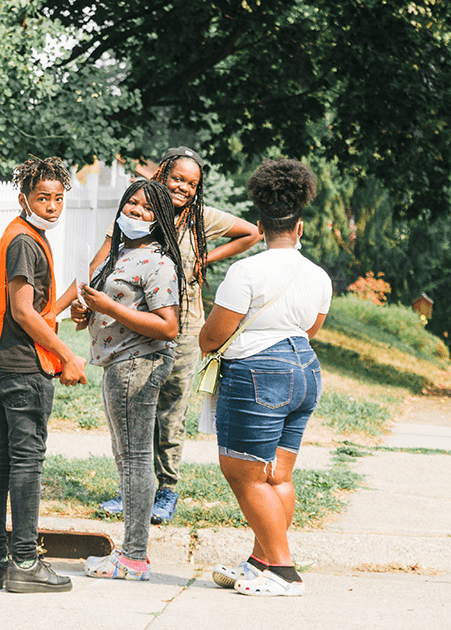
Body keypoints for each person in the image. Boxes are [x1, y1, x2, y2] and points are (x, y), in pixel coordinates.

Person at [83, 147, 261, 523]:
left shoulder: (201, 219)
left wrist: (201, 259)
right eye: (177, 178)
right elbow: (103, 256)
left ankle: (166, 491)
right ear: (162, 172)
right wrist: (85, 296)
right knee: (133, 407)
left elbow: (251, 233)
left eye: (191, 183)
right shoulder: (141, 208)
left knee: (171, 409)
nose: (183, 187)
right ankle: (133, 488)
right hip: (134, 324)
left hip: (183, 326)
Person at [199, 158, 330, 597]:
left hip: (258, 373)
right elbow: (311, 329)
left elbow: (212, 336)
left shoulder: (246, 271)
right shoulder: (318, 275)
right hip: (304, 370)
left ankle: (284, 572)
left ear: (260, 224)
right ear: (300, 227)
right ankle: (261, 561)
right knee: (277, 476)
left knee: (244, 475)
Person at [0, 157, 88, 594]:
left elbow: (33, 307)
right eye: (43, 198)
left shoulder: (21, 234)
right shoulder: (25, 241)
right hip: (22, 367)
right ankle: (24, 561)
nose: (53, 206)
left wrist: (63, 304)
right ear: (24, 198)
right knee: (25, 462)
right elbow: (22, 310)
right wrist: (66, 356)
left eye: (59, 198)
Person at [78, 180, 184, 581]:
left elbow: (167, 326)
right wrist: (90, 313)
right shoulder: (124, 253)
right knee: (126, 457)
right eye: (132, 204)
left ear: (160, 219)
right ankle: (131, 553)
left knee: (136, 458)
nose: (137, 212)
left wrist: (108, 307)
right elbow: (116, 305)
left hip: (137, 364)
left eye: (147, 208)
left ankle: (134, 557)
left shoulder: (157, 262)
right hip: (118, 364)